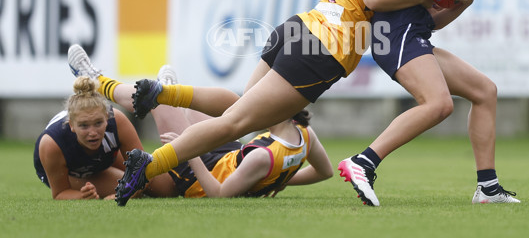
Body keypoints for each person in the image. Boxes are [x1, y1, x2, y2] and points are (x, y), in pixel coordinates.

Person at [112, 0, 435, 206]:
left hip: (299, 29)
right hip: (322, 49)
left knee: (235, 113)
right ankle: (148, 165)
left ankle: (166, 94)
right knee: (235, 124)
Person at [338, 0, 520, 206]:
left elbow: (431, 20)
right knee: (439, 105)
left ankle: (488, 189)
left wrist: (460, 4)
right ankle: (363, 161)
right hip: (395, 35)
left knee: (484, 91)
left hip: (414, 34)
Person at [67, 44, 334, 199]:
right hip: (229, 156)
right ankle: (171, 93)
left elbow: (218, 194)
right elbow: (325, 172)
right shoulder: (305, 135)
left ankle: (96, 81)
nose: (261, 93)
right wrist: (276, 180)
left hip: (197, 173)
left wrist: (189, 152)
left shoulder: (261, 157)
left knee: (153, 103)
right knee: (233, 105)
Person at [33, 74, 173, 200]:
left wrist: (129, 192)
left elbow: (142, 170)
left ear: (107, 117)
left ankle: (167, 89)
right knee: (124, 184)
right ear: (71, 125)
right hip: (73, 172)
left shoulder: (117, 121)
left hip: (104, 156)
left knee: (168, 188)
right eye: (84, 126)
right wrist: (83, 196)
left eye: (98, 123)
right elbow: (60, 193)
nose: (93, 132)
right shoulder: (52, 143)